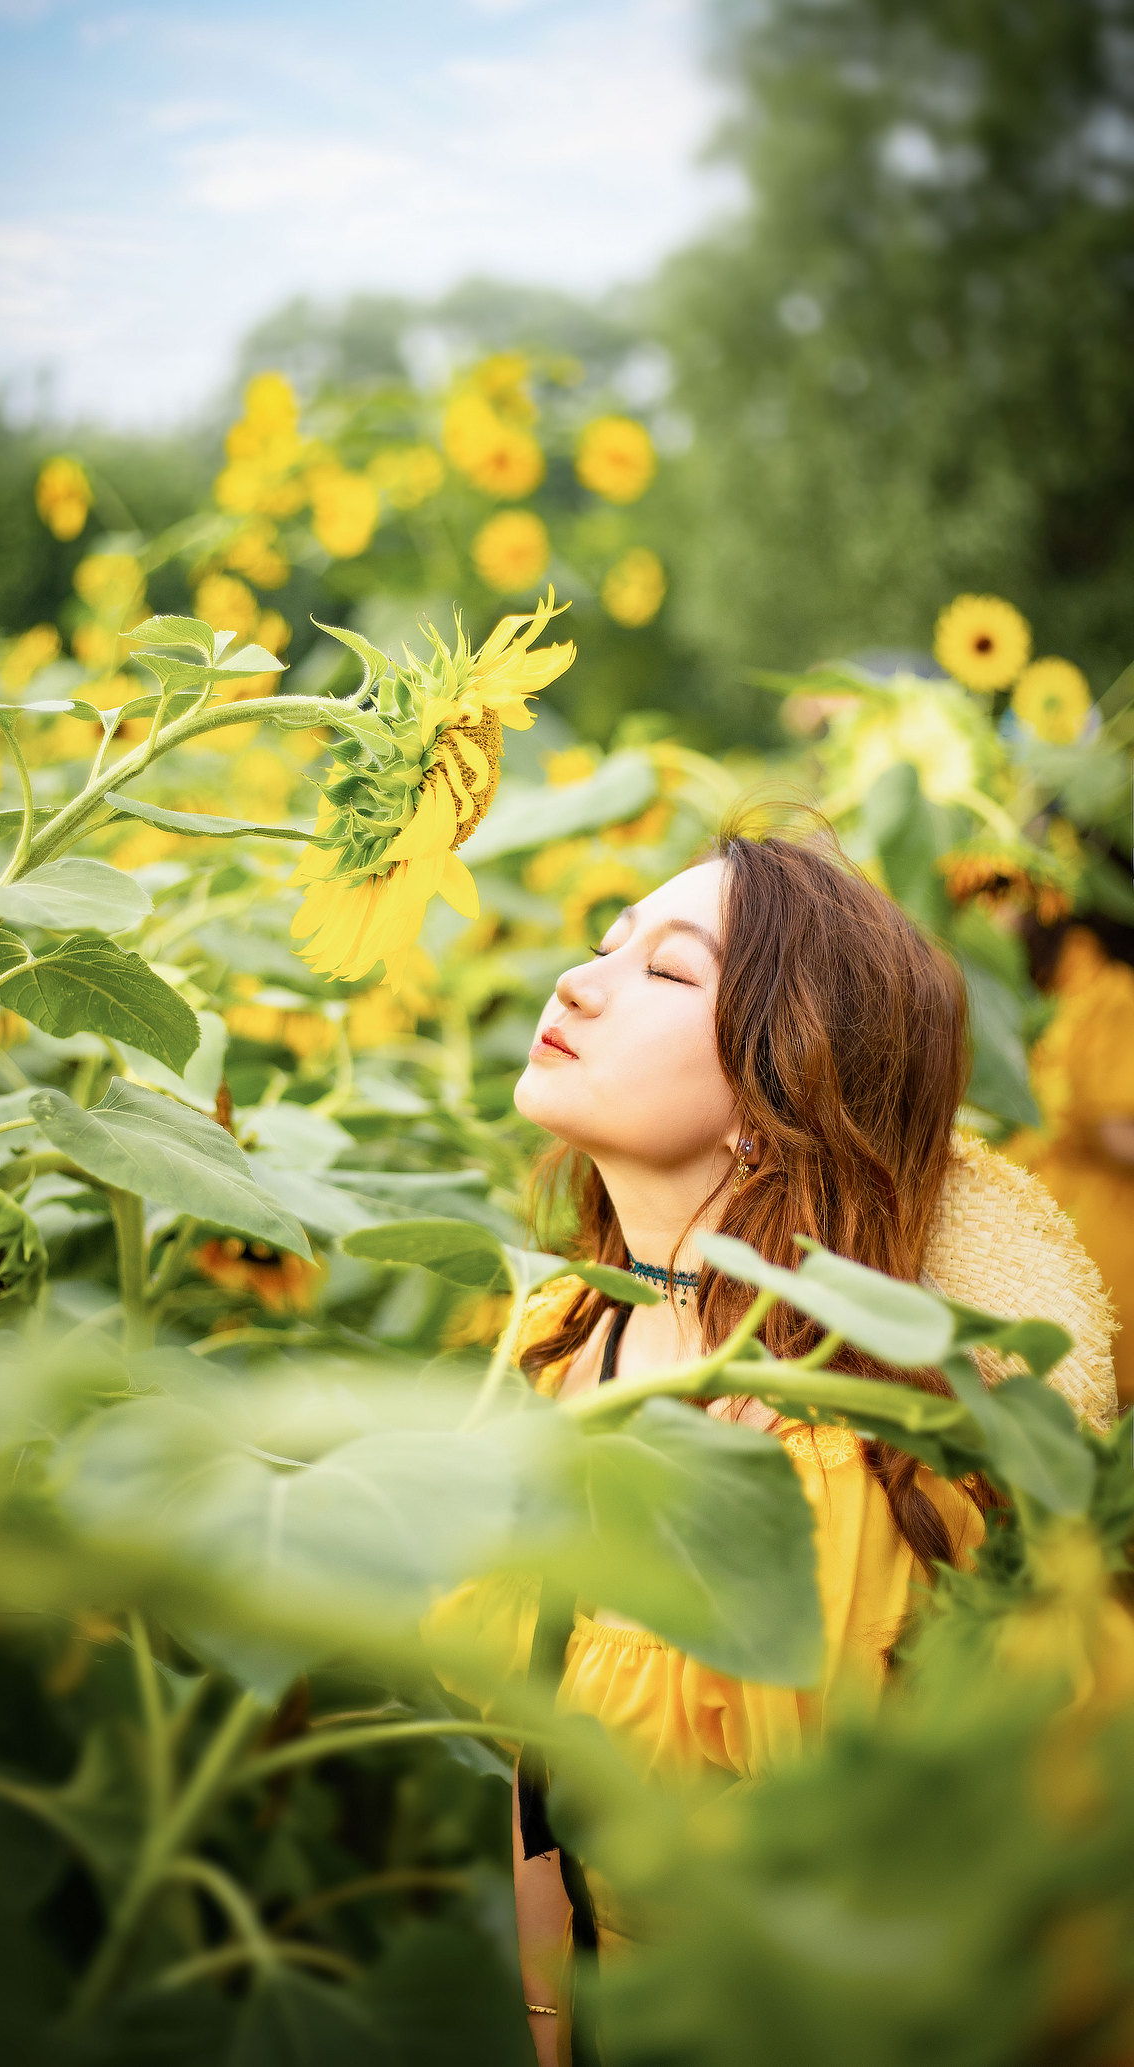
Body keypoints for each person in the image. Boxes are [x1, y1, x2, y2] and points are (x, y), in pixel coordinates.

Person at [461, 825, 1115, 2066]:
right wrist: (552, 2028)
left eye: (664, 972)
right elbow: (539, 1783)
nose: (576, 981)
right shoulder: (562, 1340)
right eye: (604, 945)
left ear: (783, 1087)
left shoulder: (850, 1460)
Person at [1008, 912, 1134, 1404]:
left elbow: (1117, 1129)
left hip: (1098, 1224)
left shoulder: (1112, 996)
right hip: (1062, 1220)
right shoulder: (1059, 995)